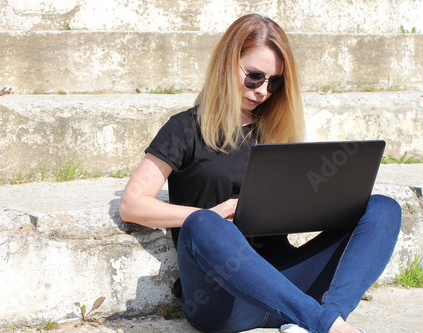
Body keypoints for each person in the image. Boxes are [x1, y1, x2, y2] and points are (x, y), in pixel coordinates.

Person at [119, 14, 401, 333]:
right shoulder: (184, 129)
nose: (263, 91)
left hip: (287, 287)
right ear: (228, 63)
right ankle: (327, 324)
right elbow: (132, 204)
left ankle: (320, 318)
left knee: (383, 208)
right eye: (254, 76)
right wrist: (210, 213)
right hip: (221, 300)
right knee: (202, 224)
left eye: (274, 82)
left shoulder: (273, 132)